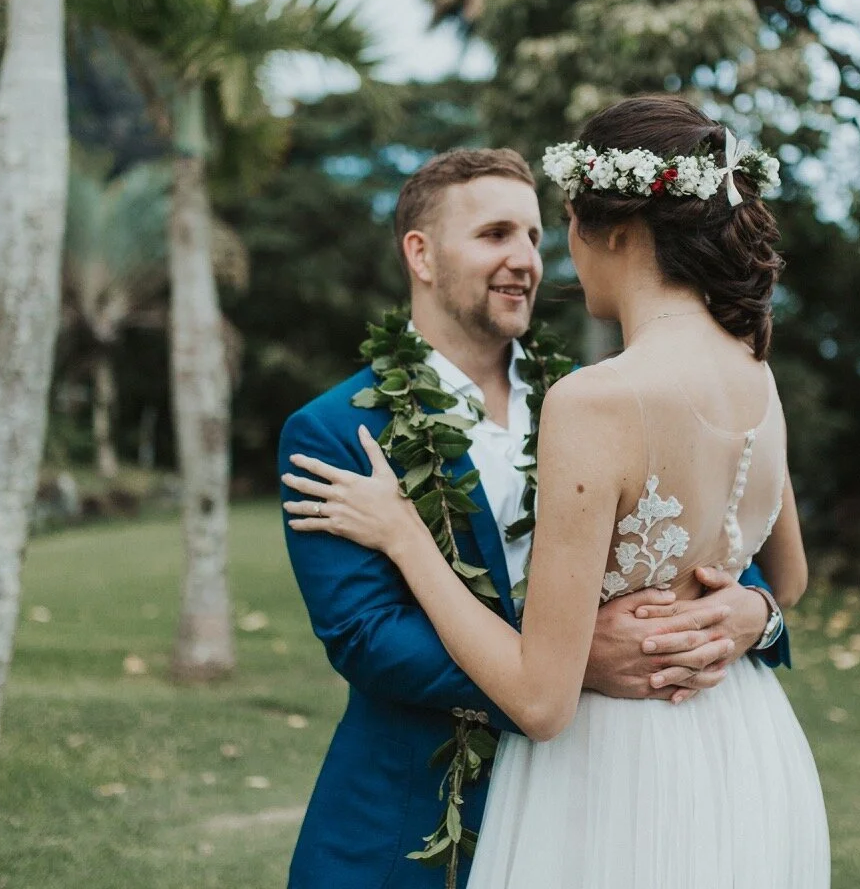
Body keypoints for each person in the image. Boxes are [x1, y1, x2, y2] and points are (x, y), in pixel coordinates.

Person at [283, 95, 828, 887]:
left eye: (538, 233)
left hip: (611, 790)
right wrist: (578, 663)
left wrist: (756, 613)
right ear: (421, 255)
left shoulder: (601, 395)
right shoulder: (335, 429)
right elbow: (367, 635)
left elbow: (710, 559)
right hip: (417, 811)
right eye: (494, 234)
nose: (529, 258)